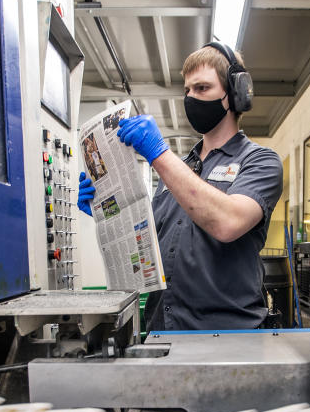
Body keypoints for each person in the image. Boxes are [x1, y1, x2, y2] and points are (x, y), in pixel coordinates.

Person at [77, 42, 283, 331]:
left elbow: (228, 221)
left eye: (202, 88)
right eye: (187, 90)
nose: (190, 98)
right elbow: (146, 244)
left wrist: (159, 154)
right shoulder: (179, 170)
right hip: (164, 332)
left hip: (230, 337)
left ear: (235, 95)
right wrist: (107, 212)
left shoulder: (261, 161)